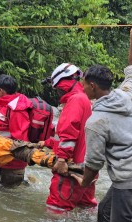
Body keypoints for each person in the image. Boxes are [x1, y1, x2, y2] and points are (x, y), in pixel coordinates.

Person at [72, 22, 132, 222]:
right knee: (104, 213)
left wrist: (83, 183)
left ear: (92, 86)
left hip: (130, 175)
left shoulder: (96, 122)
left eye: (84, 85)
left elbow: (94, 163)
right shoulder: (128, 93)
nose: (82, 88)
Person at [40, 63, 97, 212]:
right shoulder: (86, 99)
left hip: (72, 169)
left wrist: (61, 160)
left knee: (56, 210)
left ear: (62, 85)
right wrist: (47, 142)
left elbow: (69, 132)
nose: (57, 92)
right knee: (86, 209)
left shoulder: (75, 100)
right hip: (88, 168)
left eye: (57, 88)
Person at [0, 74, 32, 187]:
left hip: (11, 164)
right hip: (2, 158)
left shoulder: (17, 109)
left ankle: (24, 182)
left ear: (1, 91)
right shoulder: (8, 105)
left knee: (8, 197)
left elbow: (20, 139)